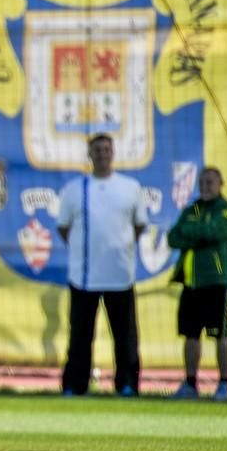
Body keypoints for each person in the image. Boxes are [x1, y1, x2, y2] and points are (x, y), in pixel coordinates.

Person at [56, 133, 148, 397]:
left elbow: (139, 225)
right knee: (80, 336)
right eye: (97, 149)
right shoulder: (75, 189)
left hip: (120, 275)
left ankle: (128, 384)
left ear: (113, 152)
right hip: (83, 277)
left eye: (106, 149)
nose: (102, 154)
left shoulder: (130, 187)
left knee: (125, 336)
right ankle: (75, 385)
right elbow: (64, 228)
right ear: (90, 154)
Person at [167, 167, 227, 401]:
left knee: (220, 334)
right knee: (191, 335)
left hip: (216, 282)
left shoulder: (226, 210)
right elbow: (173, 236)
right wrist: (198, 233)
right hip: (191, 283)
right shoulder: (193, 208)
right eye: (203, 182)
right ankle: (190, 383)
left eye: (211, 182)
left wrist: (193, 233)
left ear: (221, 184)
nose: (206, 186)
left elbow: (216, 232)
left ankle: (224, 384)